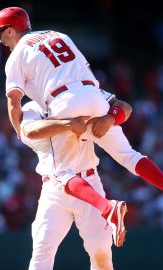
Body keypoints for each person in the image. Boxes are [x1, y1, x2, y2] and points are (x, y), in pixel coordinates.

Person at [0, 6, 128, 247]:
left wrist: (20, 134)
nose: (0, 40)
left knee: (61, 173)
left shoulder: (18, 56)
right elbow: (118, 102)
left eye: (0, 33)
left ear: (10, 30)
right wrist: (108, 117)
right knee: (129, 156)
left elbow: (13, 103)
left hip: (65, 112)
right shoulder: (58, 36)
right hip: (89, 96)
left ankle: (108, 207)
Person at [20, 91, 130, 270]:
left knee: (101, 251)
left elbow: (124, 106)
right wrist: (68, 124)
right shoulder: (32, 107)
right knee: (42, 250)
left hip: (88, 181)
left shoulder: (78, 91)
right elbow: (30, 131)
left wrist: (109, 118)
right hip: (54, 189)